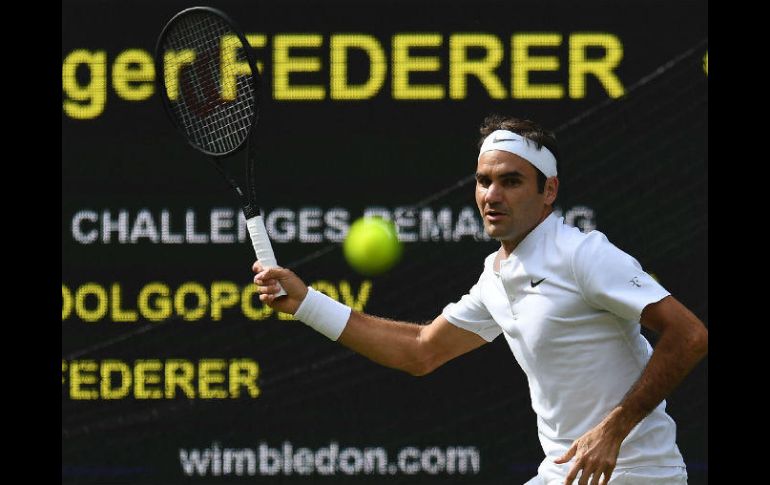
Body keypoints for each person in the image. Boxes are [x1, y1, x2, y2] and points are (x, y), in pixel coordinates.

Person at [251, 115, 708, 485]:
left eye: (511, 181)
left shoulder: (583, 255)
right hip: (563, 473)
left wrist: (614, 429)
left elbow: (690, 335)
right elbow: (420, 351)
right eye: (484, 181)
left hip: (636, 474)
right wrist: (307, 303)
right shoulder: (496, 276)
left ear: (548, 191)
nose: (492, 195)